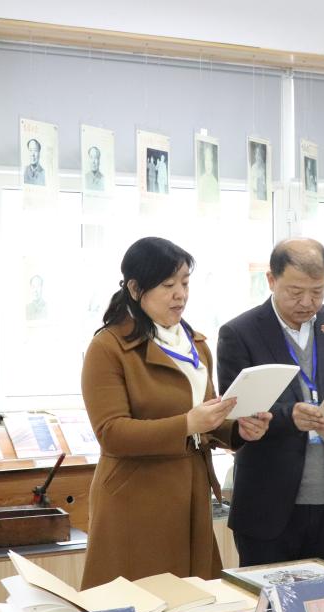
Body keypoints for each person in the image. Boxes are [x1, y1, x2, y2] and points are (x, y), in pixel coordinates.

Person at [80, 237, 271, 588]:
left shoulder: (195, 343)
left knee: (194, 600)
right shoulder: (108, 347)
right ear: (135, 289)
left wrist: (237, 430)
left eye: (185, 283)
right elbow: (111, 432)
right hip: (136, 498)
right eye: (168, 286)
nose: (180, 295)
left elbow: (205, 415)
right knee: (140, 604)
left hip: (191, 492)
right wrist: (186, 424)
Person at [217, 238, 324, 566]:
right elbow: (236, 409)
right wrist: (289, 416)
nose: (307, 302)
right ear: (271, 280)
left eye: (318, 291)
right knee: (266, 593)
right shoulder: (240, 332)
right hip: (268, 504)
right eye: (295, 291)